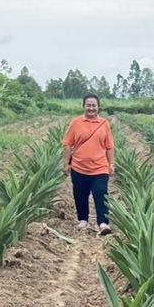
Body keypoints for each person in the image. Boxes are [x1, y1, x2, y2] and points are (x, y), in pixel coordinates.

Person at [62, 94, 116, 234]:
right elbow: (67, 144)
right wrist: (66, 164)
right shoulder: (76, 123)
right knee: (80, 194)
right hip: (79, 167)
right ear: (83, 106)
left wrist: (111, 164)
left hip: (100, 167)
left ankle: (103, 223)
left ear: (98, 107)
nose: (91, 108)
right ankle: (83, 220)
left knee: (101, 193)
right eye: (88, 105)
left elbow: (109, 146)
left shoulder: (104, 124)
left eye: (94, 105)